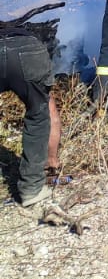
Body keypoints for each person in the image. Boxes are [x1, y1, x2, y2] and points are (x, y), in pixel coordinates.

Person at [0, 20, 61, 210]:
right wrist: (51, 161)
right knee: (39, 113)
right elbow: (52, 116)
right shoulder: (31, 38)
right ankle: (32, 190)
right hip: (28, 52)